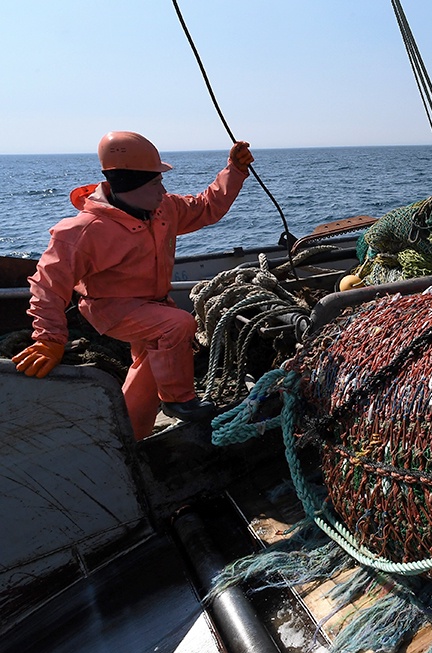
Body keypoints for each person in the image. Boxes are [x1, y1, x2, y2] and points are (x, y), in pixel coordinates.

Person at [13, 131, 254, 440]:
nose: (163, 189)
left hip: (153, 306)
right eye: (155, 182)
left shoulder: (163, 209)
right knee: (177, 325)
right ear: (129, 185)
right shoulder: (83, 231)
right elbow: (48, 284)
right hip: (110, 308)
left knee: (150, 370)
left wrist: (234, 171)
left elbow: (206, 207)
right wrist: (49, 339)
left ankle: (130, 438)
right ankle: (179, 400)